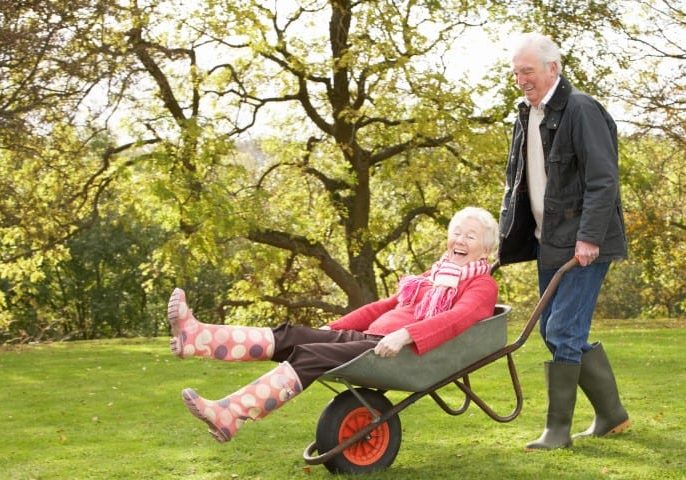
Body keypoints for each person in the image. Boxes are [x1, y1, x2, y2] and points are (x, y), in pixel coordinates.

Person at [168, 206, 499, 442]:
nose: (460, 239)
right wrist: (333, 328)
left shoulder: (482, 285)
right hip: (372, 337)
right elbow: (385, 306)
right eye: (456, 232)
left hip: (401, 351)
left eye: (471, 236)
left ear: (486, 249)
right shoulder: (433, 275)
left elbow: (456, 319)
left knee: (309, 357)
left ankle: (232, 414)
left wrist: (404, 335)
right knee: (291, 335)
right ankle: (196, 338)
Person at [498, 32, 630, 451]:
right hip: (549, 241)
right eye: (517, 71)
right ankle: (612, 415)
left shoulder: (581, 109)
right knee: (554, 333)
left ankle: (557, 432)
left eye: (528, 71)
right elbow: (520, 184)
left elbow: (603, 179)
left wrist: (589, 237)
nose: (521, 78)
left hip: (585, 243)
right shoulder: (527, 114)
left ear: (552, 69)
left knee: (565, 329)